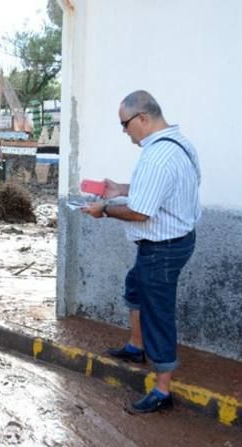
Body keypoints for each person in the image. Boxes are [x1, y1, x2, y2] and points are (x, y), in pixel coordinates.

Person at [81, 90, 201, 414]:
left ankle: (162, 391)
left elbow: (141, 212)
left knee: (158, 313)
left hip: (162, 247)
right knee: (135, 286)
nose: (124, 131)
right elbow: (157, 191)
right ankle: (136, 346)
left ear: (142, 119)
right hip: (171, 241)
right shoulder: (177, 145)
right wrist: (120, 189)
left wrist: (104, 208)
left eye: (124, 124)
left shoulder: (158, 156)